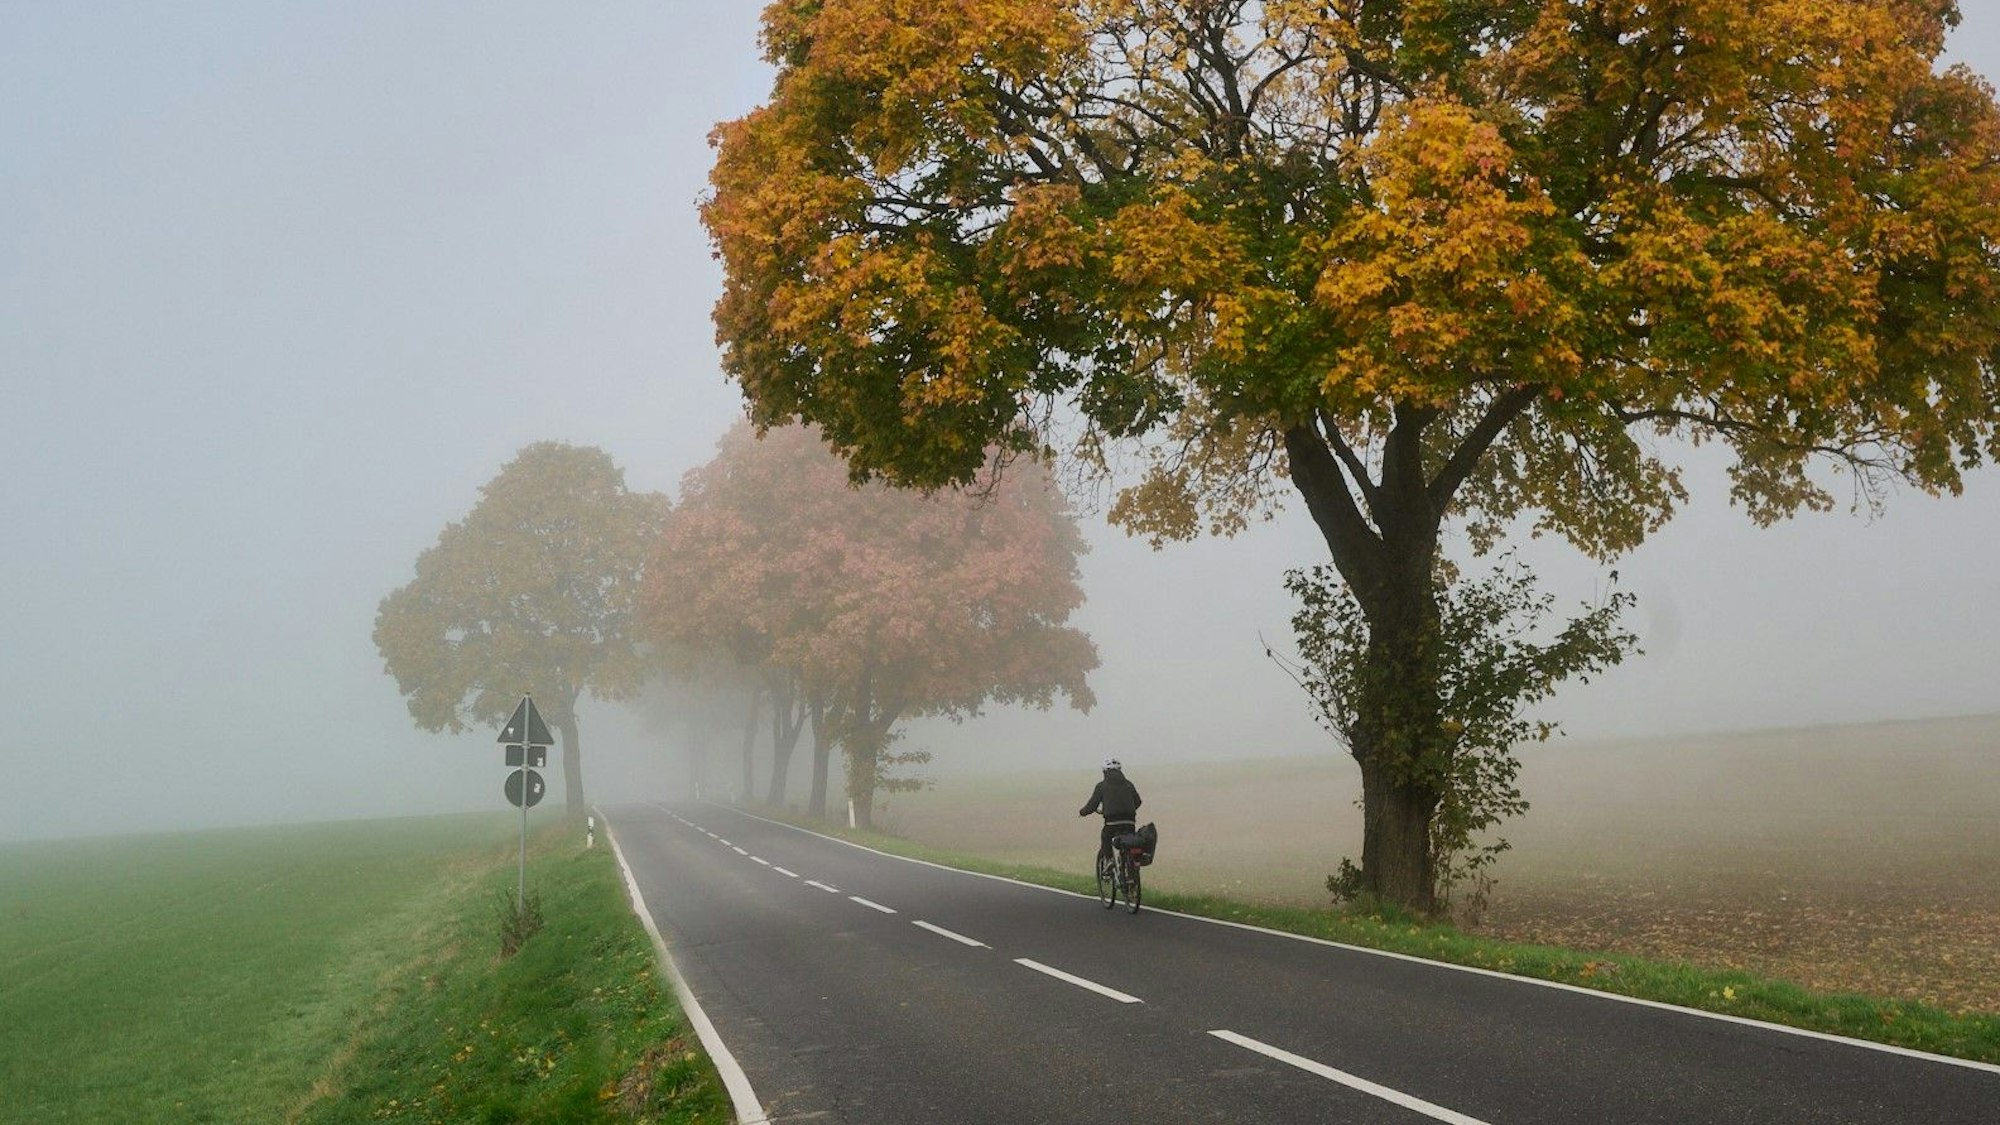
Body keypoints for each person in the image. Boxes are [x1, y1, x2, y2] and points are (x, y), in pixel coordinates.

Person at [1078, 757, 1142, 864]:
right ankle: (1133, 866)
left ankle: (1109, 861)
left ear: (1105, 772)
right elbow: (1138, 802)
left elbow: (1092, 805)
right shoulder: (1129, 784)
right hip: (1129, 822)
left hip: (1112, 822)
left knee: (1106, 838)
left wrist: (1082, 812)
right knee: (1130, 842)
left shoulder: (1101, 786)